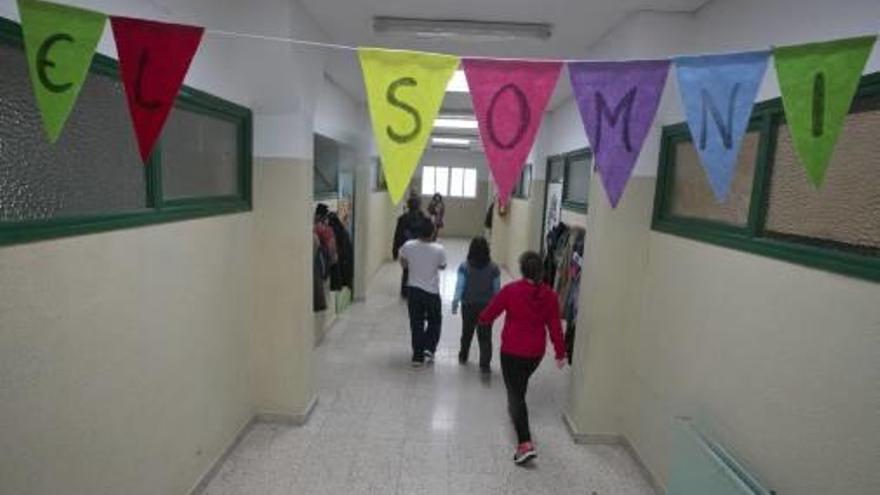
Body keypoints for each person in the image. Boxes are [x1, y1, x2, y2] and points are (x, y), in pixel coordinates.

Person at [478, 251, 566, 465]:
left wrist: (481, 320)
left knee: (516, 393)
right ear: (541, 271)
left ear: (522, 269)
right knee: (519, 385)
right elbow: (555, 326)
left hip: (512, 352)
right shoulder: (550, 296)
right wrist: (560, 353)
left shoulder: (511, 291)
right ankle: (514, 409)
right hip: (535, 354)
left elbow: (489, 314)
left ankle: (525, 443)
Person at [399, 217, 447, 368]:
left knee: (416, 323)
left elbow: (403, 263)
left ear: (417, 232)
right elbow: (443, 266)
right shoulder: (439, 249)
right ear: (433, 232)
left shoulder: (408, 245)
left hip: (413, 290)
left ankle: (417, 356)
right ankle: (429, 348)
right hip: (432, 292)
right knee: (435, 321)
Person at [452, 237, 500, 372]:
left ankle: (463, 356)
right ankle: (485, 364)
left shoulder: (464, 267)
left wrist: (455, 302)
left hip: (468, 305)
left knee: (467, 332)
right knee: (485, 336)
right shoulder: (494, 268)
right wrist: (497, 308)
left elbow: (459, 287)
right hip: (487, 308)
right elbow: (497, 291)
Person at [393, 196, 427, 298]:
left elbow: (397, 235)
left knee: (406, 271)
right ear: (418, 206)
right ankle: (417, 291)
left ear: (408, 206)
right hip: (420, 249)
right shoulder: (423, 218)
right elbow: (428, 234)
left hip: (407, 249)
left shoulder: (402, 219)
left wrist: (395, 250)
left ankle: (404, 292)